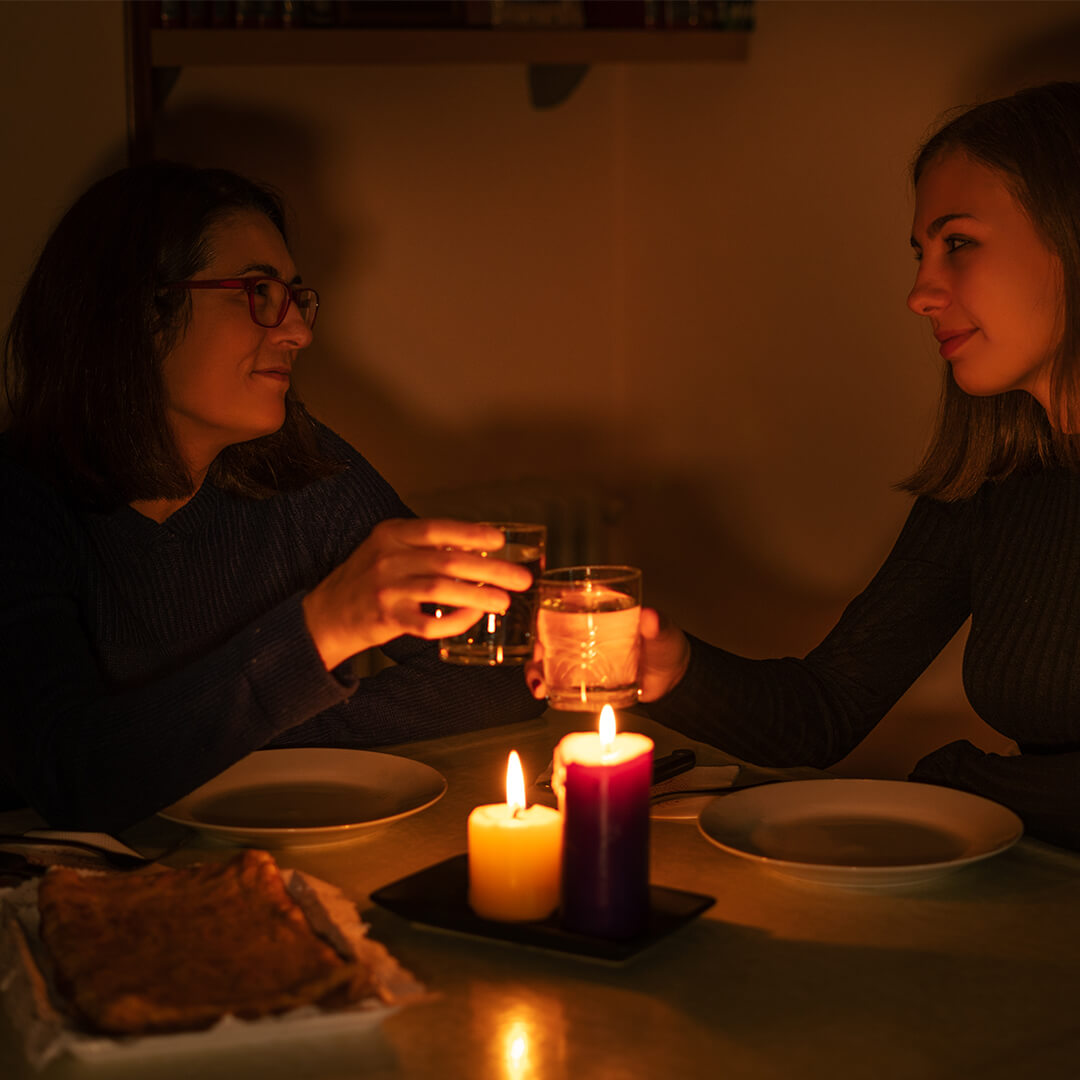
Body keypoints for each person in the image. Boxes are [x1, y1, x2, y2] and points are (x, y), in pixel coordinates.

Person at [531, 81, 1080, 851]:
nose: (920, 292)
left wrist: (973, 788)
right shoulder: (993, 483)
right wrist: (668, 664)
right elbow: (823, 713)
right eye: (921, 254)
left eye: (958, 243)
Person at [1, 161, 544, 832]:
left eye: (295, 295)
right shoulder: (20, 504)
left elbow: (496, 677)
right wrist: (319, 631)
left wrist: (217, 740)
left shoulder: (297, 465)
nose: (299, 331)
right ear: (138, 313)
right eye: (258, 291)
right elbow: (69, 776)